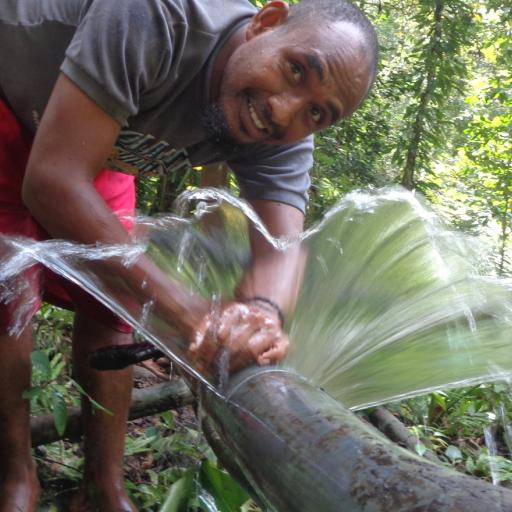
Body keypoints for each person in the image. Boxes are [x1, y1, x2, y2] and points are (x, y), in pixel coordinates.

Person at [0, 0, 377, 510]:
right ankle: (16, 475)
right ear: (264, 23)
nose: (284, 112)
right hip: (12, 102)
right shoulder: (154, 16)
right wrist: (186, 312)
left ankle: (102, 488)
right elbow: (51, 182)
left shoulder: (285, 133)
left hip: (98, 136)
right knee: (9, 294)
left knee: (117, 305)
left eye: (317, 113)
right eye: (294, 70)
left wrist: (261, 314)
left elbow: (283, 247)